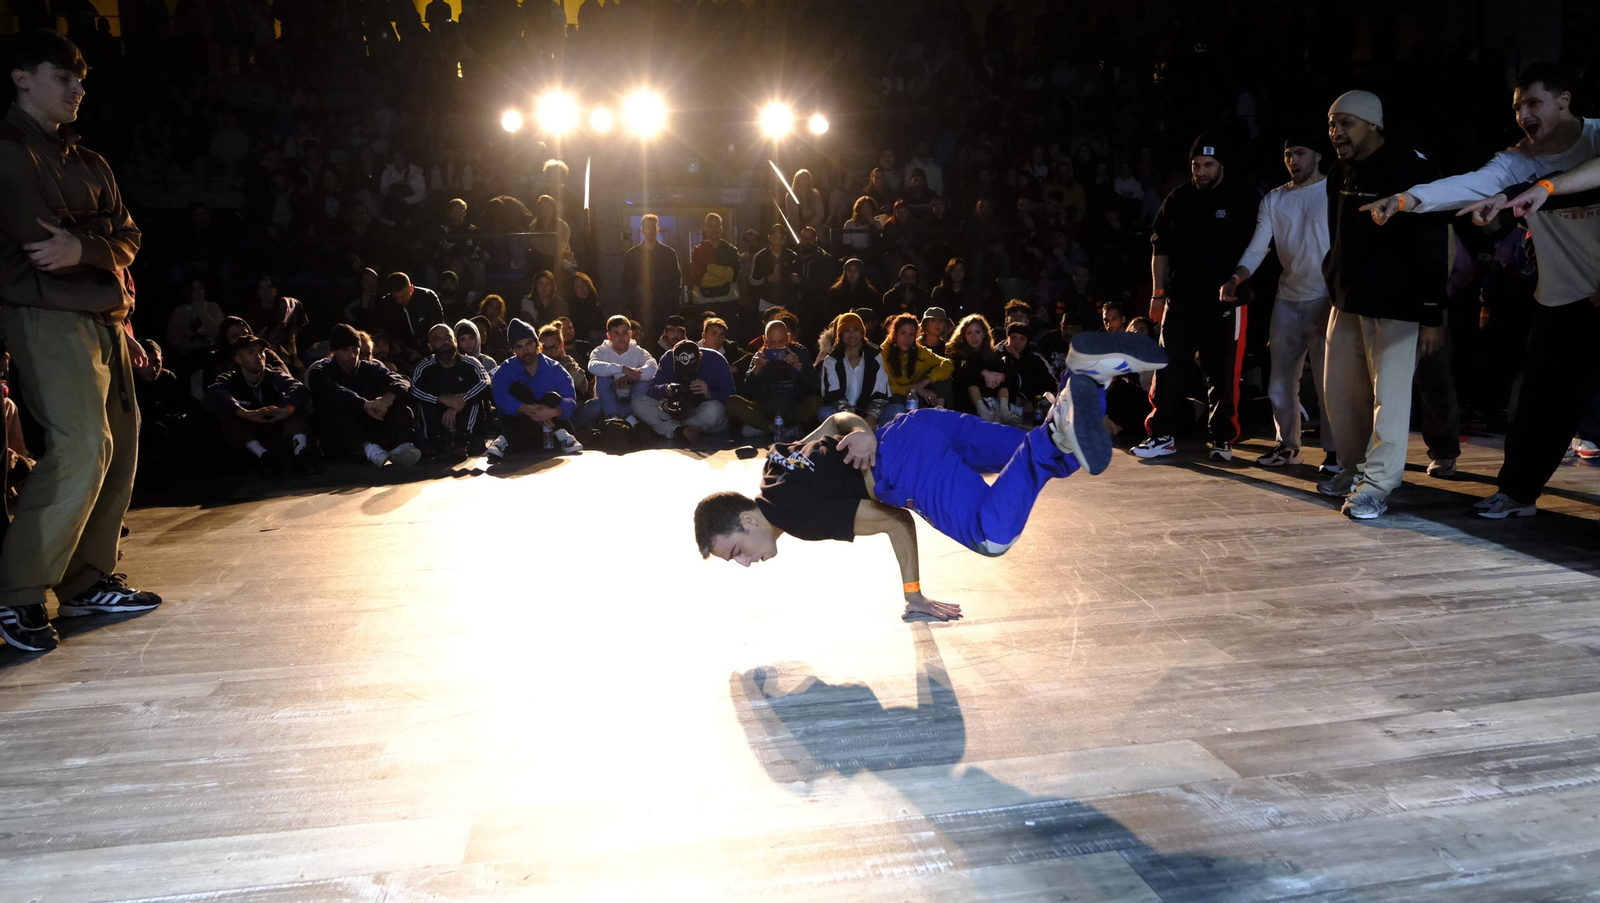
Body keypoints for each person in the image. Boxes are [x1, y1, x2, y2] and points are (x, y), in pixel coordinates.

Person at [694, 333, 1168, 620]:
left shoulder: (797, 516)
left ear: (747, 520)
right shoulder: (775, 465)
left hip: (908, 466)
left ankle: (1066, 407)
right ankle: (1086, 373)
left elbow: (896, 521)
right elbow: (837, 424)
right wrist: (866, 430)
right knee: (1056, 453)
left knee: (991, 534)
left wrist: (913, 596)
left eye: (735, 551)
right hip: (916, 425)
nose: (743, 563)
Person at [1366, 65, 1600, 519]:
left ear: (1564, 101)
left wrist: (1545, 188)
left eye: (1533, 103)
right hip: (1563, 298)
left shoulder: (1595, 139)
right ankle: (1517, 493)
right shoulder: (1517, 160)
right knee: (1538, 403)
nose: (1523, 115)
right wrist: (1405, 200)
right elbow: (1468, 184)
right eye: (1517, 108)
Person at [0, 30, 159, 652]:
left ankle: (86, 582)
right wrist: (96, 245)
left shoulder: (90, 161)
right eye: (63, 76)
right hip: (45, 312)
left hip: (105, 316)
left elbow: (128, 237)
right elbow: (43, 245)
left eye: (81, 80)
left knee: (118, 450)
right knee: (81, 445)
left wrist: (86, 245)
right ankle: (14, 597)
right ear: (21, 77)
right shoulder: (11, 151)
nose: (77, 88)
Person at [1318, 90, 1448, 520]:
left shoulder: (1412, 169)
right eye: (1333, 123)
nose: (1336, 131)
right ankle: (1354, 471)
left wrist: (1432, 315)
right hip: (1349, 302)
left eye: (1347, 123)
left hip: (1397, 306)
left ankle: (1376, 486)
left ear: (1374, 124)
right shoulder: (1340, 171)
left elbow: (1433, 247)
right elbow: (1339, 239)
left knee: (1388, 402)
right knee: (1341, 395)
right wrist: (1333, 286)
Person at [1134, 135, 1260, 462]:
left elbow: (1258, 248)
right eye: (1196, 165)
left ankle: (1222, 439)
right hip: (1182, 300)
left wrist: (1240, 282)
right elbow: (1159, 248)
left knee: (1223, 373)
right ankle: (1161, 436)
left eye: (1207, 165)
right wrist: (1158, 293)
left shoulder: (1243, 198)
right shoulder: (1178, 199)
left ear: (1221, 166)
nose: (1200, 171)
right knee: (1167, 369)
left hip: (1225, 303)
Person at [1221, 134, 1337, 472]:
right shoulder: (1274, 199)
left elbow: (1344, 248)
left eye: (1299, 153)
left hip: (1325, 298)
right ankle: (1289, 446)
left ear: (1316, 155)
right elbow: (1259, 248)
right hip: (1287, 299)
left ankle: (1334, 453)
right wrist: (1236, 277)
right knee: (1279, 382)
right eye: (1287, 154)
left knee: (1328, 383)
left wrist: (1334, 298)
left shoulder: (1331, 193)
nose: (1292, 160)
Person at [305, 324, 422, 468]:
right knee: (339, 410)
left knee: (401, 408)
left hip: (371, 426)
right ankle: (366, 449)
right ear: (335, 351)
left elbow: (402, 381)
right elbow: (333, 392)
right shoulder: (320, 371)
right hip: (341, 437)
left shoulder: (370, 367)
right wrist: (364, 404)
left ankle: (401, 447)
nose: (352, 355)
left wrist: (386, 399)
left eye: (355, 349)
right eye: (345, 350)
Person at [202, 333, 312, 477]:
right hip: (251, 432)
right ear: (238, 358)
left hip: (276, 427)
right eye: (251, 352)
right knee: (227, 417)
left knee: (296, 410)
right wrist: (242, 412)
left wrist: (287, 408)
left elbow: (297, 388)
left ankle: (301, 456)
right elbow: (214, 394)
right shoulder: (230, 379)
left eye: (261, 352)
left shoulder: (274, 375)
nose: (259, 357)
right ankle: (263, 457)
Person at [488, 318, 582, 457]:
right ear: (513, 350)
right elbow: (499, 396)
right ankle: (560, 432)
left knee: (552, 397)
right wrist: (523, 408)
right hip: (521, 428)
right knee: (518, 389)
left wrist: (553, 412)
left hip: (548, 430)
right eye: (519, 347)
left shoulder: (554, 368)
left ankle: (505, 439)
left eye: (528, 344)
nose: (525, 351)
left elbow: (570, 399)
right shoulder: (506, 369)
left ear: (537, 344)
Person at [727, 319, 822, 440]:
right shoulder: (759, 356)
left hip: (793, 407)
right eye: (772, 343)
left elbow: (815, 386)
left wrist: (799, 368)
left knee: (816, 403)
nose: (777, 347)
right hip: (766, 409)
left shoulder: (800, 353)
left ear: (788, 338)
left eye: (781, 342)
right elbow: (747, 391)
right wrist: (756, 370)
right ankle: (774, 428)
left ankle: (764, 429)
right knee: (732, 402)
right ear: (765, 340)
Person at [411, 323, 493, 456]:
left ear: (455, 341)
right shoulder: (424, 367)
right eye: (438, 339)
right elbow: (413, 390)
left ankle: (466, 440)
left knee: (475, 398)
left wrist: (458, 404)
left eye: (448, 337)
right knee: (427, 402)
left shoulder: (471, 363)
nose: (445, 342)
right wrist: (442, 399)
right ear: (430, 346)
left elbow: (486, 384)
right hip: (437, 422)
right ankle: (436, 444)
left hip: (465, 420)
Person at [634, 339, 733, 443]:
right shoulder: (668, 358)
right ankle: (681, 430)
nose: (687, 374)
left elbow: (732, 397)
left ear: (700, 356)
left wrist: (709, 394)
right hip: (675, 412)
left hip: (703, 413)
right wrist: (666, 389)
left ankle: (675, 429)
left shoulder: (717, 359)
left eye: (691, 369)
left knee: (716, 409)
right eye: (682, 370)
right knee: (638, 403)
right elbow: (650, 390)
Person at [818, 312, 891, 428]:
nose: (851, 334)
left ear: (862, 332)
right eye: (846, 331)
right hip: (842, 412)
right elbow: (831, 394)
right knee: (825, 412)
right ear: (840, 335)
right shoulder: (832, 360)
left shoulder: (875, 357)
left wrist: (872, 415)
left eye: (856, 329)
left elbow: (881, 390)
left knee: (896, 409)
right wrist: (852, 418)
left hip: (869, 411)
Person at [880, 312, 954, 420]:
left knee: (944, 378)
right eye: (903, 333)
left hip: (916, 397)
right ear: (895, 334)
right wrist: (915, 390)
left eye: (911, 334)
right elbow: (885, 388)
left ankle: (939, 412)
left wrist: (925, 381)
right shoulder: (883, 354)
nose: (907, 339)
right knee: (898, 407)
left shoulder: (920, 351)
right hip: (893, 398)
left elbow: (948, 364)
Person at [587, 314, 659, 423]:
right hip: (608, 402)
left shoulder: (638, 351)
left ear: (630, 334)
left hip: (631, 402)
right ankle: (613, 418)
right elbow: (592, 366)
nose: (621, 337)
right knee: (603, 377)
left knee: (643, 382)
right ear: (609, 336)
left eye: (625, 332)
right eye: (616, 333)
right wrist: (622, 369)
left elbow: (653, 367)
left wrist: (631, 377)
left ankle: (633, 417)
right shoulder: (601, 351)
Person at [945, 314, 1017, 422]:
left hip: (988, 393)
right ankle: (983, 412)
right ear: (964, 336)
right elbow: (961, 371)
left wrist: (994, 378)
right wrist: (983, 373)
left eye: (977, 332)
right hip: (966, 399)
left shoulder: (991, 353)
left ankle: (1004, 411)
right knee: (969, 376)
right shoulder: (958, 353)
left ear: (983, 334)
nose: (974, 337)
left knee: (1003, 371)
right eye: (969, 333)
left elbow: (1000, 370)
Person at [621, 213, 683, 339]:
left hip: (664, 309)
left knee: (665, 342)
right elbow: (627, 282)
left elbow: (676, 280)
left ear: (658, 228)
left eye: (653, 226)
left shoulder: (669, 254)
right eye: (647, 227)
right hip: (641, 308)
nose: (651, 230)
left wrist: (672, 304)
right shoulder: (632, 255)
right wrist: (633, 305)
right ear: (642, 230)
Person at [380, 271, 444, 366]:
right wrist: (395, 346)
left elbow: (437, 330)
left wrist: (423, 352)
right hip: (402, 358)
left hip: (431, 353)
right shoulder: (386, 305)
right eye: (396, 298)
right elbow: (385, 332)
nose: (400, 301)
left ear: (411, 288)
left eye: (403, 296)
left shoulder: (428, 298)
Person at [999, 322, 1057, 423]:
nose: (1017, 342)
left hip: (1030, 403)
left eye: (1021, 339)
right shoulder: (999, 354)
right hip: (1006, 399)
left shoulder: (1035, 358)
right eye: (1013, 338)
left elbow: (1050, 383)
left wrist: (1018, 360)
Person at [689, 212, 741, 311]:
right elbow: (699, 279)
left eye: (717, 226)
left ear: (721, 228)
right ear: (706, 228)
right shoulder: (698, 251)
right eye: (711, 226)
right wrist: (723, 275)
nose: (714, 229)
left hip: (728, 305)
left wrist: (709, 267)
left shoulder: (731, 250)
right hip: (705, 305)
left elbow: (732, 276)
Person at [748, 223, 798, 315]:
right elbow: (752, 280)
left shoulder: (792, 256)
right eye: (775, 237)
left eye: (781, 237)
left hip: (787, 302)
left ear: (785, 239)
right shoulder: (760, 256)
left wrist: (796, 279)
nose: (778, 241)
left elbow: (797, 281)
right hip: (766, 301)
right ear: (769, 238)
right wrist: (767, 279)